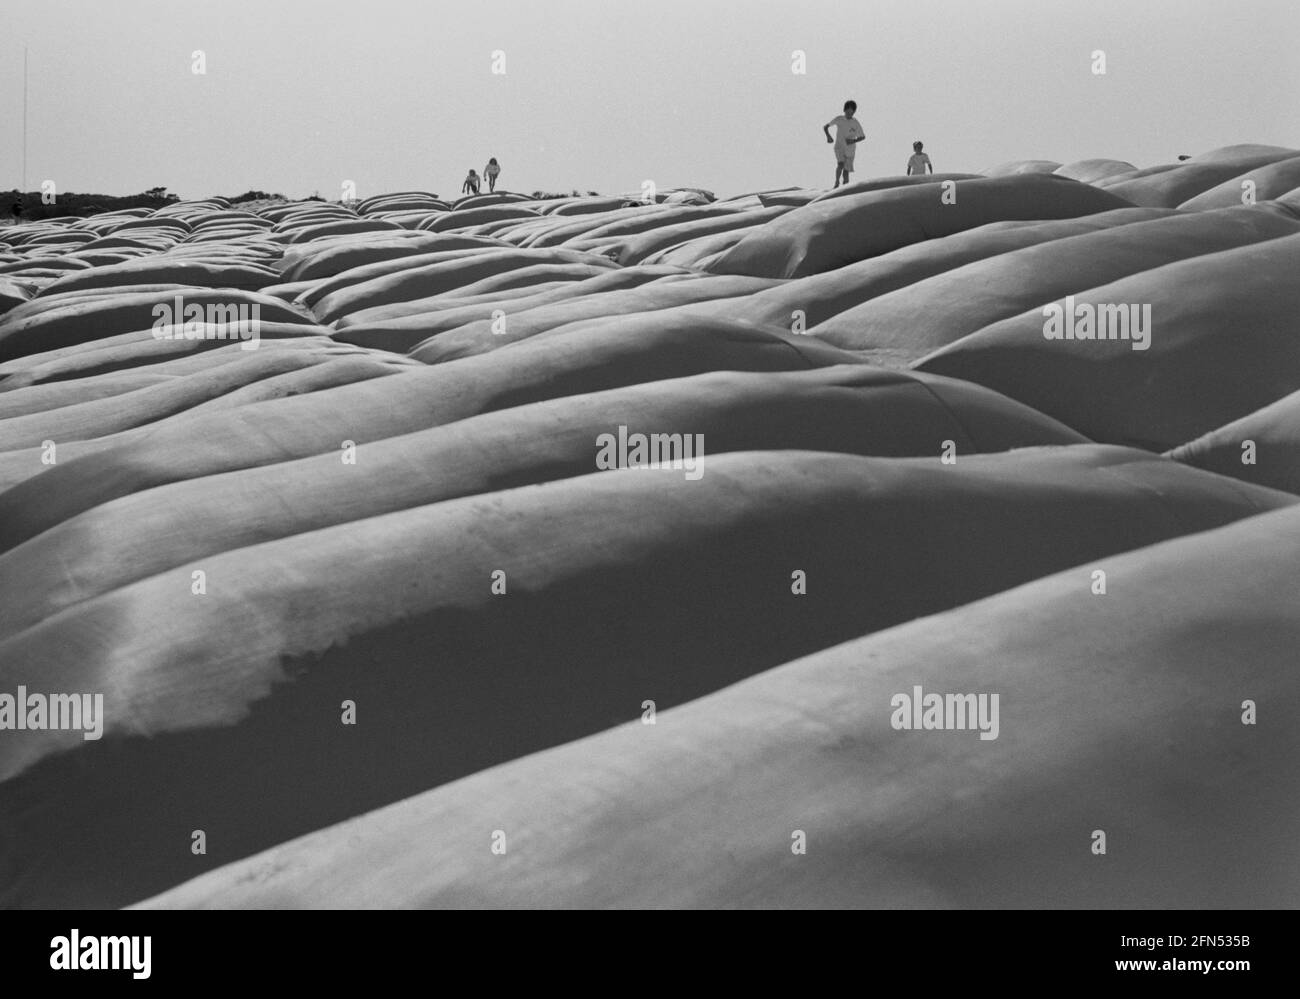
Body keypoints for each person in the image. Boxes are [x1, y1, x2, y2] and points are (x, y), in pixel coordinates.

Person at [823, 100, 866, 188]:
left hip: (850, 149)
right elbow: (826, 126)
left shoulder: (855, 122)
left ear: (854, 112)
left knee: (846, 172)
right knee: (840, 164)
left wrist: (853, 141)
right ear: (844, 110)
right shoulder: (839, 119)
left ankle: (844, 189)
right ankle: (836, 183)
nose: (849, 113)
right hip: (839, 146)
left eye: (852, 111)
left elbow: (862, 136)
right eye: (848, 110)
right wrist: (828, 136)